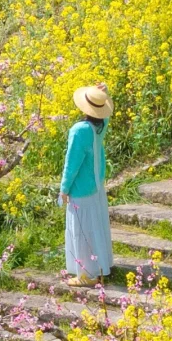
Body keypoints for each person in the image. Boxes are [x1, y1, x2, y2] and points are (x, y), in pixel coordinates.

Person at [59, 84, 114, 286]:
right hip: (97, 185)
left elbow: (71, 163)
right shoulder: (101, 125)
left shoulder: (79, 130)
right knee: (96, 227)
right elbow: (104, 113)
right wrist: (103, 94)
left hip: (82, 188)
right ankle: (99, 267)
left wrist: (64, 189)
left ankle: (86, 275)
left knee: (82, 230)